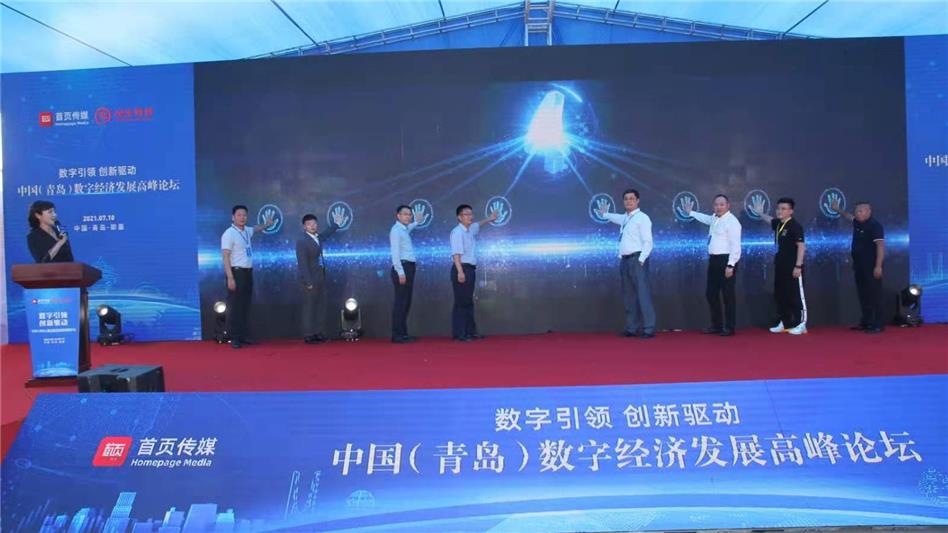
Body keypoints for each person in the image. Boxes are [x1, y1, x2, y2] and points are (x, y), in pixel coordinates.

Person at [598, 189, 656, 338]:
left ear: (638, 201)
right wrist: (605, 214)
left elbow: (648, 242)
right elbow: (616, 217)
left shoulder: (642, 218)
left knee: (642, 295)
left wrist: (642, 259)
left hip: (637, 260)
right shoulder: (625, 218)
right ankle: (632, 327)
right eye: (626, 199)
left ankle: (648, 328)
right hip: (624, 261)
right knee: (629, 296)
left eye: (631, 198)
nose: (628, 201)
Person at [683, 194, 742, 336]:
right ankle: (717, 325)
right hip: (714, 261)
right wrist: (691, 212)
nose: (718, 207)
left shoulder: (732, 222)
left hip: (726, 261)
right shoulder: (715, 218)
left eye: (722, 204)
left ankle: (730, 327)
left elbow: (736, 246)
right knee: (711, 294)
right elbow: (705, 218)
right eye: (716, 205)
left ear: (728, 206)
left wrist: (731, 265)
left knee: (728, 296)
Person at [221, 205, 275, 349]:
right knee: (235, 306)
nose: (242, 218)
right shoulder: (229, 233)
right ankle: (234, 337)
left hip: (247, 272)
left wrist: (266, 224)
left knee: (245, 305)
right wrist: (230, 277)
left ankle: (243, 336)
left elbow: (256, 228)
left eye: (244, 215)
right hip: (236, 272)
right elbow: (225, 257)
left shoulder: (246, 231)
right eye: (239, 215)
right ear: (233, 217)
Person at [751, 196, 807, 335]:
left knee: (795, 295)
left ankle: (801, 324)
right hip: (780, 266)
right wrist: (760, 213)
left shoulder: (795, 226)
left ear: (791, 211)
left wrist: (798, 266)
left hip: (793, 267)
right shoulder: (779, 224)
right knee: (781, 295)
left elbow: (801, 247)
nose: (780, 211)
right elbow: (770, 220)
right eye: (778, 208)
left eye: (784, 208)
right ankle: (785, 322)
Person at [831, 199, 885, 334]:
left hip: (871, 266)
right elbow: (848, 216)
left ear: (868, 211)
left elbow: (880, 247)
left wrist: (878, 266)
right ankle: (866, 322)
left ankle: (878, 323)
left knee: (874, 294)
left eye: (860, 211)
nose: (857, 213)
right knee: (863, 294)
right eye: (856, 211)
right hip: (859, 265)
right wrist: (838, 210)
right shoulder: (857, 223)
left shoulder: (875, 226)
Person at [450, 204, 498, 341]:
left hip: (470, 269)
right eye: (466, 214)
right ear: (459, 217)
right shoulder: (457, 232)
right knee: (461, 302)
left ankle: (470, 331)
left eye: (471, 214)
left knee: (468, 301)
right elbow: (456, 255)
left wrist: (489, 219)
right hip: (461, 268)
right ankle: (460, 333)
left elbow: (478, 224)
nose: (470, 217)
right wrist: (460, 272)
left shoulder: (470, 229)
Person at [296, 211, 344, 344]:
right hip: (310, 279)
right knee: (309, 307)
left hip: (320, 276)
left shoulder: (317, 237)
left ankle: (319, 332)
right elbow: (302, 263)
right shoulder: (302, 241)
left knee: (320, 306)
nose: (312, 226)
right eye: (309, 224)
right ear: (304, 226)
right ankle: (308, 334)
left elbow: (326, 234)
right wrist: (308, 281)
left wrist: (336, 225)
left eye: (314, 223)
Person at [389, 205, 425, 343]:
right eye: (405, 214)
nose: (408, 216)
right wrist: (400, 272)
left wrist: (417, 222)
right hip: (402, 268)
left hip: (408, 267)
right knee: (401, 302)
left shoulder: (403, 229)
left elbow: (409, 227)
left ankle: (403, 333)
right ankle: (397, 335)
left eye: (410, 214)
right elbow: (395, 253)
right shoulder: (396, 230)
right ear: (398, 216)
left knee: (406, 302)